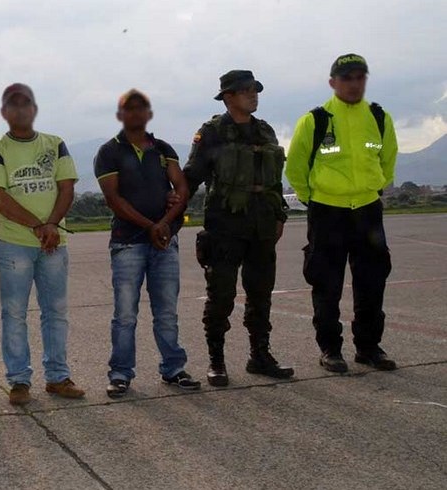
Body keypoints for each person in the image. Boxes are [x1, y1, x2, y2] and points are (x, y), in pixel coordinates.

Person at [286, 54, 398, 373]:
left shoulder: (379, 117)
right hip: (327, 213)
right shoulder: (316, 120)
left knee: (372, 281)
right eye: (347, 78)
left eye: (360, 77)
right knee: (326, 283)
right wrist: (315, 199)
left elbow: (388, 160)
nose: (354, 84)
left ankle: (368, 347)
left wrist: (373, 191)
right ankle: (331, 349)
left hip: (367, 212)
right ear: (333, 82)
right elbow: (295, 168)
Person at [183, 70, 295, 387]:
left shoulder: (265, 131)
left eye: (255, 90)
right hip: (225, 226)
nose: (253, 95)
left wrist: (279, 217)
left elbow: (274, 181)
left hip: (262, 225)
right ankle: (217, 362)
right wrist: (171, 215)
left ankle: (260, 356)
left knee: (261, 295)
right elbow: (191, 177)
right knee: (221, 296)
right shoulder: (212, 132)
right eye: (245, 91)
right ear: (228, 96)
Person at [0, 83, 85, 405]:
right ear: (3, 113)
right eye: (13, 105)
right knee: (14, 313)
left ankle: (57, 377)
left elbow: (66, 188)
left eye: (26, 103)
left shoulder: (55, 144)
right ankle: (19, 381)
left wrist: (52, 225)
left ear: (34, 109)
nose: (20, 109)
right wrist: (39, 226)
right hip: (14, 244)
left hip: (55, 243)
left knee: (55, 312)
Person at [94, 89, 200, 398]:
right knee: (125, 314)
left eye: (142, 108)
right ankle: (120, 373)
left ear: (149, 114)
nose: (137, 113)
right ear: (120, 115)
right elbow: (113, 198)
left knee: (166, 311)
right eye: (130, 108)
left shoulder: (163, 149)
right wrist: (151, 226)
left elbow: (181, 187)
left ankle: (173, 368)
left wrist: (165, 224)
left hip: (165, 242)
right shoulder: (109, 152)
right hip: (128, 243)